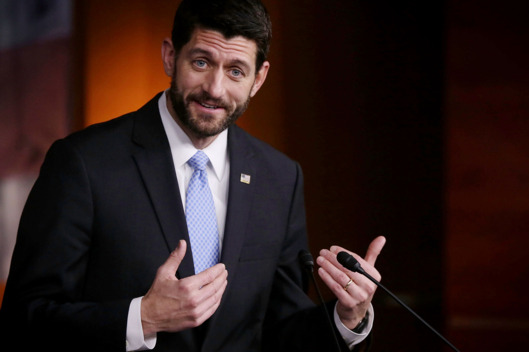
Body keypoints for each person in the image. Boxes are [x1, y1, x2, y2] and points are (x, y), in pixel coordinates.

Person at [0, 0, 386, 351]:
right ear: (170, 56)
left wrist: (347, 318)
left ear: (259, 77)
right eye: (201, 62)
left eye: (236, 71)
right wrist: (142, 318)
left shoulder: (280, 178)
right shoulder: (82, 163)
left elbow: (281, 331)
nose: (214, 89)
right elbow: (25, 318)